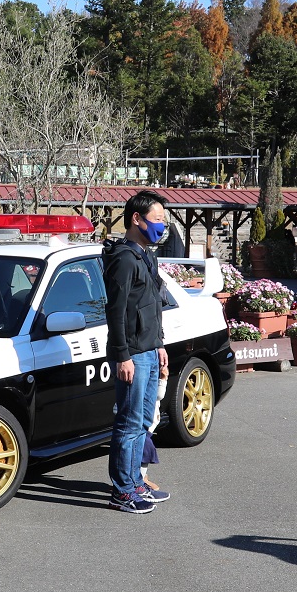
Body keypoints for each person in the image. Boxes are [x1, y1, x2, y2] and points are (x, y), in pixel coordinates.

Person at [104, 189, 170, 515]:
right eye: (157, 220)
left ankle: (136, 482)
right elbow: (115, 312)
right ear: (137, 219)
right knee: (128, 424)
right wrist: (122, 355)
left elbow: (153, 305)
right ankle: (123, 491)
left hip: (149, 352)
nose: (162, 226)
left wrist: (159, 344)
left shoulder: (147, 255)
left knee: (143, 421)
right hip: (132, 355)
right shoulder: (124, 259)